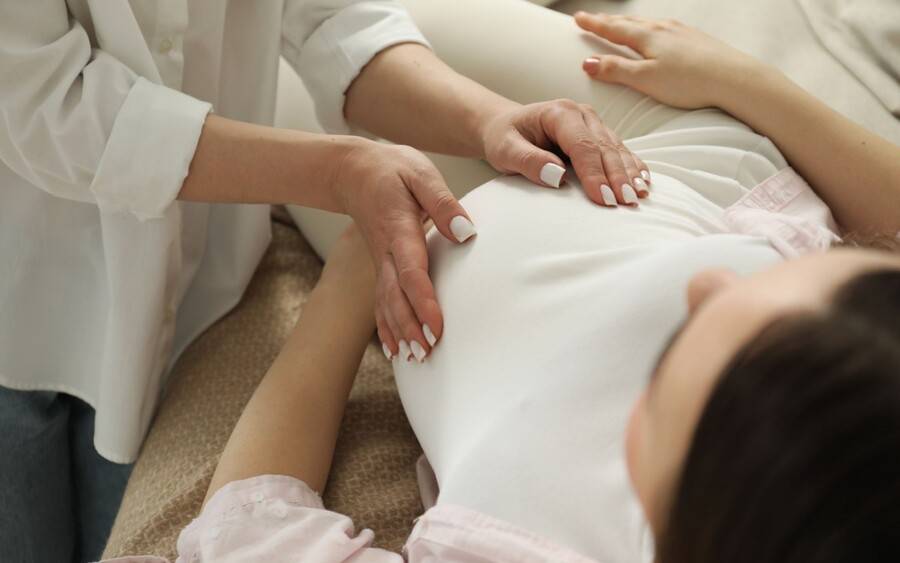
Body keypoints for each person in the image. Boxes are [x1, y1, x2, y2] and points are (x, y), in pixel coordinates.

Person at [102, 11, 900, 563]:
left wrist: (354, 262)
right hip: (677, 154)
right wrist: (746, 81)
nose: (709, 284)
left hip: (414, 246)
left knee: (245, 81)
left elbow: (251, 534)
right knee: (353, 30)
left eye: (685, 352)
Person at [0, 2, 652, 561]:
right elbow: (45, 104)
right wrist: (338, 182)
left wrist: (488, 120)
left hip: (202, 278)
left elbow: (333, 21)